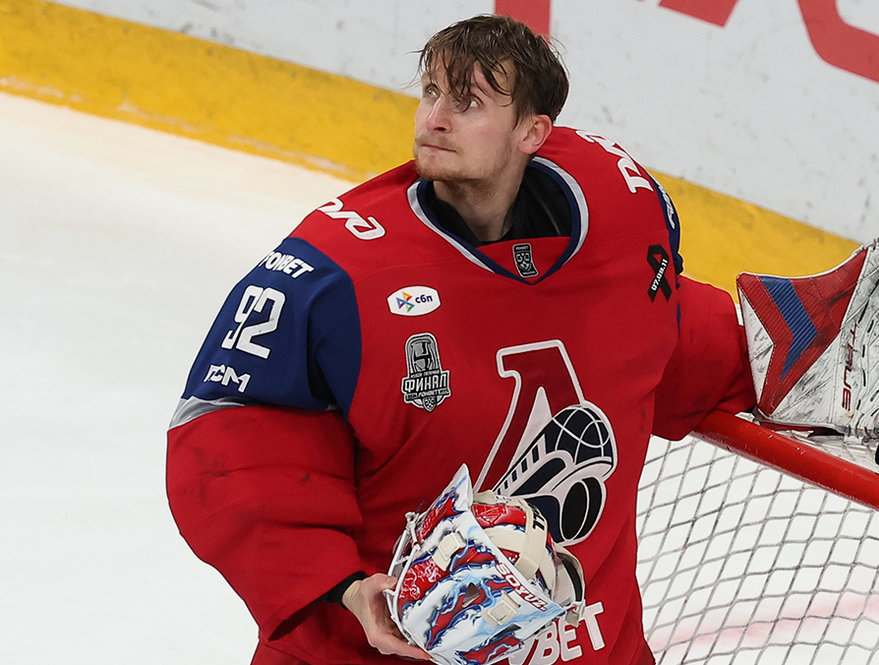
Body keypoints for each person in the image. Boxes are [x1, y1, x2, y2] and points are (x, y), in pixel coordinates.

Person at [167, 14, 755, 665]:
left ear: (532, 132)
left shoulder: (616, 224)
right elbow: (235, 441)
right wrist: (347, 589)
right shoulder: (339, 275)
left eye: (468, 102)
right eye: (430, 93)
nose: (435, 119)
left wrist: (783, 350)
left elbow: (667, 334)